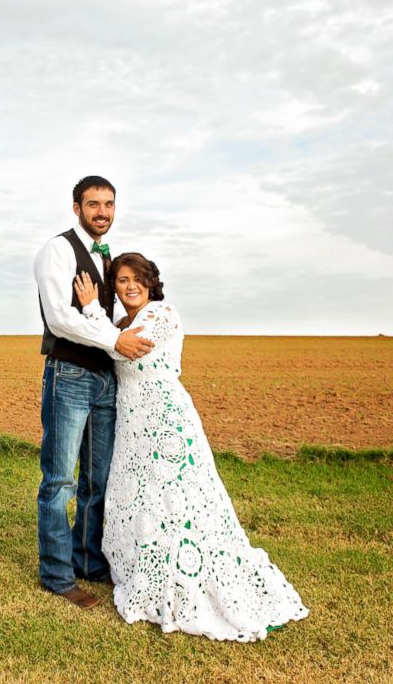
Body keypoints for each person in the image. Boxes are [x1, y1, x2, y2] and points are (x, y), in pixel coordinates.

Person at [74, 253, 309, 641]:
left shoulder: (162, 315)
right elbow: (113, 341)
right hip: (133, 423)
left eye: (137, 278)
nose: (130, 286)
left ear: (151, 281)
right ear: (113, 287)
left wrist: (89, 309)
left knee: (179, 497)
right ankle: (146, 570)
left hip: (167, 419)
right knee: (144, 496)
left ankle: (189, 577)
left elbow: (125, 350)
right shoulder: (119, 323)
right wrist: (98, 322)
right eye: (120, 280)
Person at [33, 177, 154, 609]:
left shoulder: (108, 259)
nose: (102, 212)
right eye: (93, 204)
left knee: (97, 480)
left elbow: (107, 314)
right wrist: (114, 341)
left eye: (108, 204)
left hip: (106, 379)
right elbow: (60, 318)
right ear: (76, 207)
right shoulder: (58, 251)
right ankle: (57, 575)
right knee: (61, 481)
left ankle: (88, 560)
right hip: (69, 375)